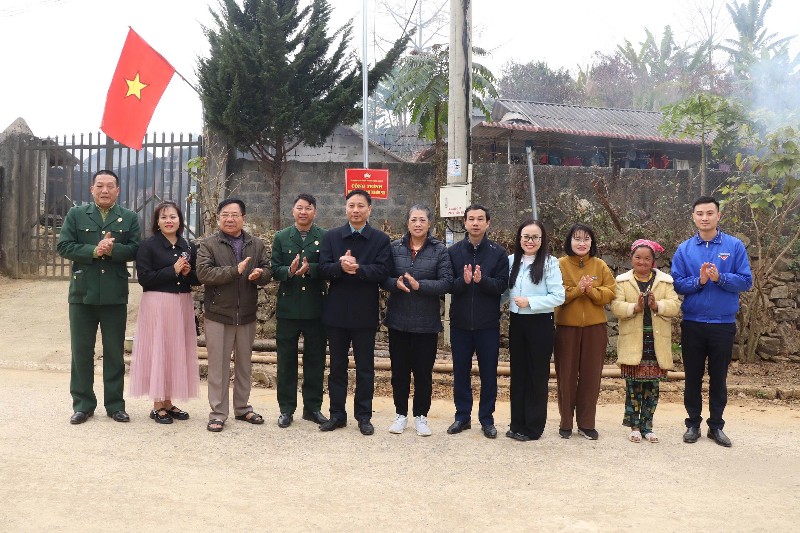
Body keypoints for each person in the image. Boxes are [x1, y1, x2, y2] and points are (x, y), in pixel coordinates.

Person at [57, 169, 141, 424]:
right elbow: (64, 246)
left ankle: (115, 405)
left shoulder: (129, 217)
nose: (105, 190)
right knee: (81, 352)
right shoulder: (76, 214)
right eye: (100, 186)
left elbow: (135, 249)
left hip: (115, 294)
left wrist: (112, 249)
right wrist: (95, 250)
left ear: (118, 190)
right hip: (82, 293)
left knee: (114, 352)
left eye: (110, 186)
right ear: (92, 189)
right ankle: (83, 405)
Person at [671, 196, 752, 447]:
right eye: (700, 213)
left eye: (709, 213)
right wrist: (700, 281)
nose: (704, 218)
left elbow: (746, 281)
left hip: (722, 324)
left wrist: (720, 278)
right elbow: (677, 284)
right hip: (693, 323)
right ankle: (693, 424)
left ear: (718, 216)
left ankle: (716, 426)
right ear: (693, 217)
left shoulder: (734, 246)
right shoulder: (684, 249)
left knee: (719, 378)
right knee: (692, 377)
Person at [318, 189, 392, 436]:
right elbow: (322, 269)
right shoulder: (332, 236)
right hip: (336, 312)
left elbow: (383, 272)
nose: (356, 210)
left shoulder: (380, 239)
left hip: (364, 312)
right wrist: (340, 267)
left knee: (365, 368)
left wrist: (359, 268)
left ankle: (364, 416)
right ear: (346, 208)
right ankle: (337, 414)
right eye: (351, 205)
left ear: (370, 209)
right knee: (337, 367)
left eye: (361, 206)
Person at [196, 198, 272, 433]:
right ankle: (218, 413)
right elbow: (203, 273)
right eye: (225, 215)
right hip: (218, 314)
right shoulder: (208, 244)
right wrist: (234, 271)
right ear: (219, 218)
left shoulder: (256, 244)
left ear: (243, 218)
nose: (230, 219)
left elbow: (268, 270)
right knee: (218, 367)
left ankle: (242, 408)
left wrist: (259, 274)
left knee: (244, 365)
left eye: (235, 215)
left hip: (246, 314)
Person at [382, 204, 453, 437]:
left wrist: (419, 285)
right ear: (407, 223)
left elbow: (446, 282)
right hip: (398, 320)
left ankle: (421, 416)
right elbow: (384, 277)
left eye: (422, 220)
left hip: (426, 323)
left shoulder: (439, 250)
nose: (418, 224)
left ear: (429, 223)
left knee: (423, 373)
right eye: (414, 220)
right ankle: (400, 414)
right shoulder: (395, 248)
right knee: (399, 371)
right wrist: (395, 284)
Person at [129, 201, 201, 424]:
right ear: (157, 222)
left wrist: (187, 273)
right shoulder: (148, 245)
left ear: (180, 220)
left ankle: (168, 402)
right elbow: (145, 279)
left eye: (173, 217)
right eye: (164, 217)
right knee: (159, 349)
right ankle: (157, 405)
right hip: (157, 303)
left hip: (182, 303)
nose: (169, 221)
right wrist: (172, 270)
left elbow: (196, 279)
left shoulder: (188, 246)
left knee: (175, 350)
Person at [447, 204, 509, 439]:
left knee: (488, 373)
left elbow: (502, 285)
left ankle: (487, 419)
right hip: (460, 323)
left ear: (487, 223)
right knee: (460, 371)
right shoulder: (453, 252)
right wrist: (463, 282)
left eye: (480, 219)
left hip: (487, 324)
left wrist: (482, 281)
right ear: (464, 223)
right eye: (471, 219)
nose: (475, 223)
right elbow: (448, 285)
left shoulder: (498, 253)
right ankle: (462, 416)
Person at [611, 239, 680, 443]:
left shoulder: (665, 282)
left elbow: (675, 305)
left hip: (656, 343)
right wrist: (636, 308)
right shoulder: (622, 282)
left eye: (647, 258)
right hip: (633, 342)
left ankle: (647, 426)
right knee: (633, 387)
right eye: (638, 257)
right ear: (631, 258)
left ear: (653, 261)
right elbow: (616, 306)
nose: (642, 262)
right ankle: (634, 427)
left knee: (653, 387)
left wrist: (657, 305)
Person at [502, 220, 564, 441]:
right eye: (526, 237)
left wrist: (530, 302)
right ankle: (517, 423)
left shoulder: (549, 263)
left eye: (535, 237)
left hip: (540, 323)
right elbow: (505, 292)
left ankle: (533, 427)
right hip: (517, 322)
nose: (530, 241)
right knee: (518, 373)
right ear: (519, 238)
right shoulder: (511, 261)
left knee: (537, 375)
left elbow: (559, 296)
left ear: (542, 239)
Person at [271, 194, 329, 428]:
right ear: (293, 211)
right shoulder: (281, 237)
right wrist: (289, 270)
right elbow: (274, 269)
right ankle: (286, 409)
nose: (303, 212)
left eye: (308, 208)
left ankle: (312, 408)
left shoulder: (324, 237)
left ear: (315, 212)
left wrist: (310, 269)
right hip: (288, 308)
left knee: (315, 360)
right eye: (299, 208)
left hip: (316, 308)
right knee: (286, 361)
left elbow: (328, 267)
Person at [554, 223, 615, 440]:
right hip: (566, 327)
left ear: (592, 242)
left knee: (591, 376)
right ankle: (566, 422)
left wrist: (591, 292)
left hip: (594, 328)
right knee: (566, 375)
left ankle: (587, 423)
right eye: (577, 239)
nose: (582, 243)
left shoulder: (599, 265)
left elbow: (611, 291)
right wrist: (577, 290)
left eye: (586, 239)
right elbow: (555, 292)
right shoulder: (559, 264)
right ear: (569, 241)